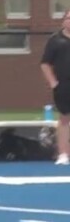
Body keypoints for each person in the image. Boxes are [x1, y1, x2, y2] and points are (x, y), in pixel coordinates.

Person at [41, 9, 70, 165]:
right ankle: (64, 154)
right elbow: (45, 64)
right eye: (68, 18)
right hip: (64, 85)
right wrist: (53, 83)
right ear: (63, 21)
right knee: (65, 119)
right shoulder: (55, 40)